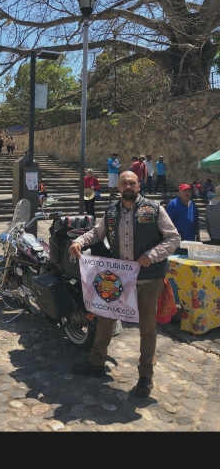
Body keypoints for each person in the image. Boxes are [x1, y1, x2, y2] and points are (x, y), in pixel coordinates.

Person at [68, 170, 180, 398]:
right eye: (124, 183)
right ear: (118, 187)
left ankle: (145, 377)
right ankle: (96, 363)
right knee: (105, 320)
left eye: (132, 183)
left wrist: (152, 254)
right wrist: (79, 241)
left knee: (147, 328)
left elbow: (173, 238)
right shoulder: (110, 211)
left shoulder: (154, 208)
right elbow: (97, 233)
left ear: (139, 186)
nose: (128, 186)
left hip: (149, 278)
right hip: (118, 279)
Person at [165, 183, 200, 251]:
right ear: (179, 192)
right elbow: (167, 224)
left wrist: (198, 236)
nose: (187, 193)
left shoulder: (193, 204)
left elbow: (196, 221)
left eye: (189, 191)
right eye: (185, 191)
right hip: (177, 243)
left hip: (191, 241)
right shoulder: (173, 205)